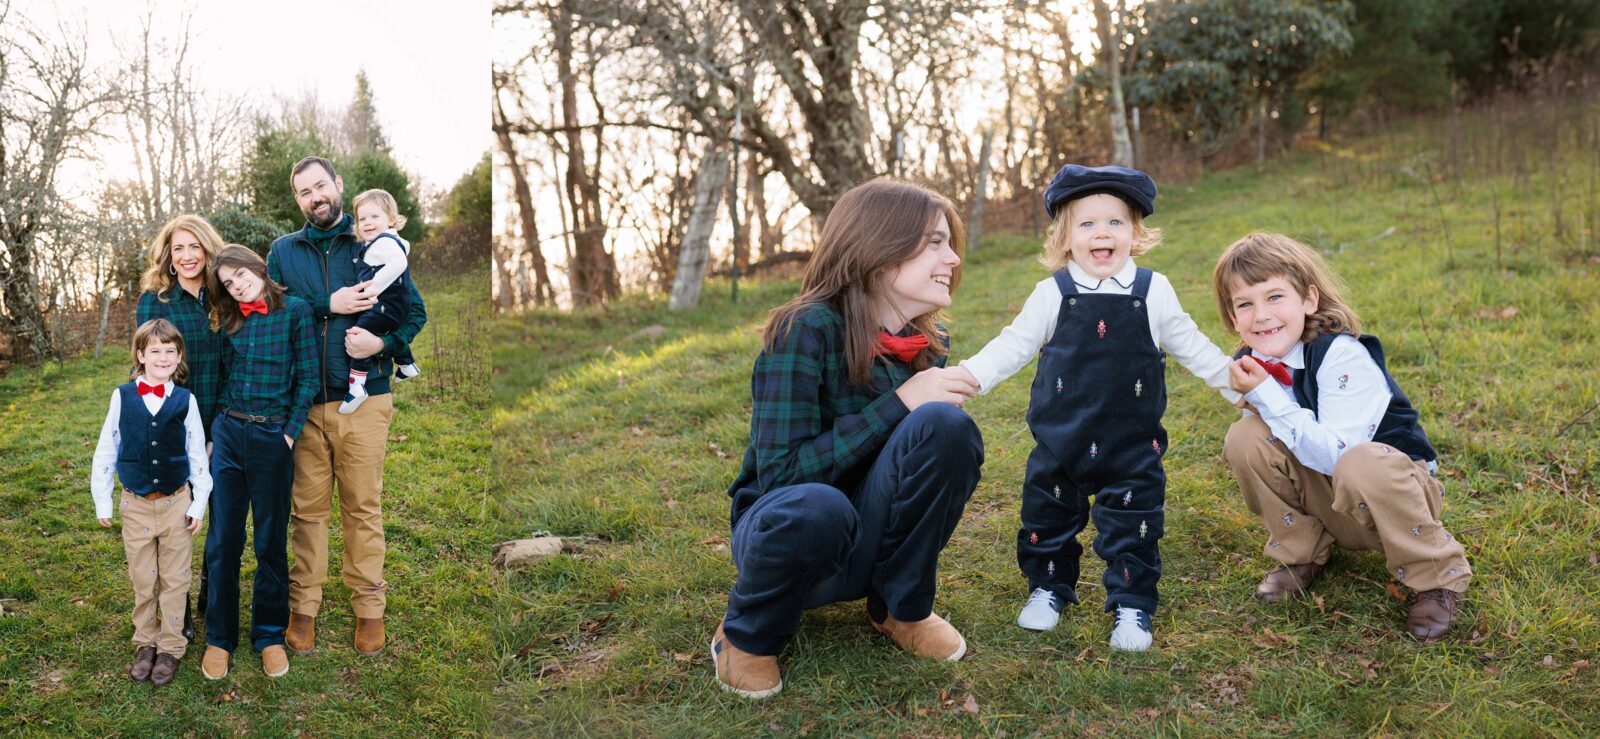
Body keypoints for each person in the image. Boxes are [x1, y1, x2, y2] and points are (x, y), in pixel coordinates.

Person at [713, 178, 984, 700]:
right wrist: (902, 402)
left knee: (948, 429)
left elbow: (915, 463)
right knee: (819, 506)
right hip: (792, 535)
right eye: (934, 242)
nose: (952, 257)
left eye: (950, 242)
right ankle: (747, 635)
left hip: (870, 531)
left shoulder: (928, 344)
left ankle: (900, 609)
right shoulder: (804, 330)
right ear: (879, 252)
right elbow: (782, 478)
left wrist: (922, 404)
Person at [953, 164, 1239, 651]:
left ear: (1135, 233)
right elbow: (1014, 344)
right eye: (1086, 224)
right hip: (1060, 441)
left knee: (1133, 527)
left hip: (1132, 444)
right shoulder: (1052, 294)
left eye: (1115, 223)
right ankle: (1048, 587)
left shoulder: (1152, 291)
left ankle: (1132, 605)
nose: (1101, 233)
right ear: (1065, 237)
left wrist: (1240, 388)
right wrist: (971, 375)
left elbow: (1194, 346)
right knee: (1046, 521)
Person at [1214, 231, 1471, 641]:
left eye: (1274, 297)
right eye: (1245, 304)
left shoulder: (1342, 355)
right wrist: (1256, 398)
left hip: (1393, 494)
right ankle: (1302, 552)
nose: (1261, 315)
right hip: (1330, 498)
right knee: (1245, 437)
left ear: (1309, 300)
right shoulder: (1253, 365)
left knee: (1358, 460)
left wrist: (1266, 396)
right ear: (1232, 318)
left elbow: (1339, 454)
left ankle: (1437, 577)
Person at [267, 156, 427, 659]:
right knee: (307, 512)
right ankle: (303, 607)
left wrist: (383, 347)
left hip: (366, 401)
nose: (315, 196)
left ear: (338, 185)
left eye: (321, 185)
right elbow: (269, 314)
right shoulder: (282, 252)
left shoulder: (373, 242)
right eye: (304, 192)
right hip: (304, 405)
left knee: (362, 507)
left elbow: (414, 311)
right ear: (297, 200)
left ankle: (369, 609)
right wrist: (325, 305)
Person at [199, 245, 318, 680]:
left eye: (239, 276)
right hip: (229, 434)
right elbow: (226, 377)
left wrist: (289, 432)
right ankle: (219, 638)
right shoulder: (230, 320)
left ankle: (268, 635)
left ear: (257, 267)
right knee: (223, 540)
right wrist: (215, 433)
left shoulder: (296, 312)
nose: (236, 285)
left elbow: (307, 377)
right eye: (228, 284)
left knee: (270, 540)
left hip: (272, 436)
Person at [90, 318, 211, 687]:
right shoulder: (121, 396)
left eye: (169, 351)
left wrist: (198, 503)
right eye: (154, 351)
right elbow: (106, 448)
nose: (162, 357)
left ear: (178, 358)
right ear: (140, 355)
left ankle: (172, 646)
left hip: (177, 502)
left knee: (175, 580)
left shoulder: (185, 401)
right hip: (136, 504)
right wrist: (103, 501)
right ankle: (146, 641)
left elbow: (197, 456)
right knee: (144, 578)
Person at [136, 214, 227, 643]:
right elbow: (147, 368)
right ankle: (179, 604)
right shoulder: (156, 301)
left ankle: (213, 589)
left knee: (219, 514)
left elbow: (236, 361)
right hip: (173, 424)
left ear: (208, 249)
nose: (187, 256)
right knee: (175, 523)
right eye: (178, 249)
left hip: (225, 420)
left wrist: (215, 432)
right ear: (168, 257)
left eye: (194, 247)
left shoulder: (225, 294)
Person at [339, 188, 421, 415]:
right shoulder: (388, 241)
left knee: (357, 336)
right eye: (362, 218)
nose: (367, 223)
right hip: (395, 306)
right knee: (388, 327)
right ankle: (406, 364)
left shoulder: (383, 243)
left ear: (391, 220)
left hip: (383, 304)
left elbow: (399, 264)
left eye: (375, 216)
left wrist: (373, 287)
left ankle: (356, 387)